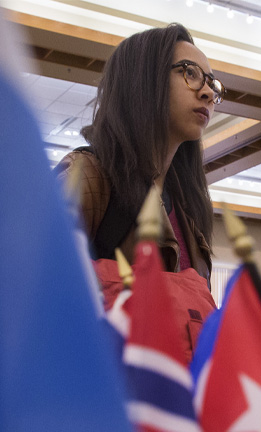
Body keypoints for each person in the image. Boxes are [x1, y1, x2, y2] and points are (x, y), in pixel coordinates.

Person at [55, 23, 223, 287]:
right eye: (190, 73)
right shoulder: (86, 175)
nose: (208, 92)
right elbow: (30, 286)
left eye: (213, 84)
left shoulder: (187, 208)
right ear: (145, 79)